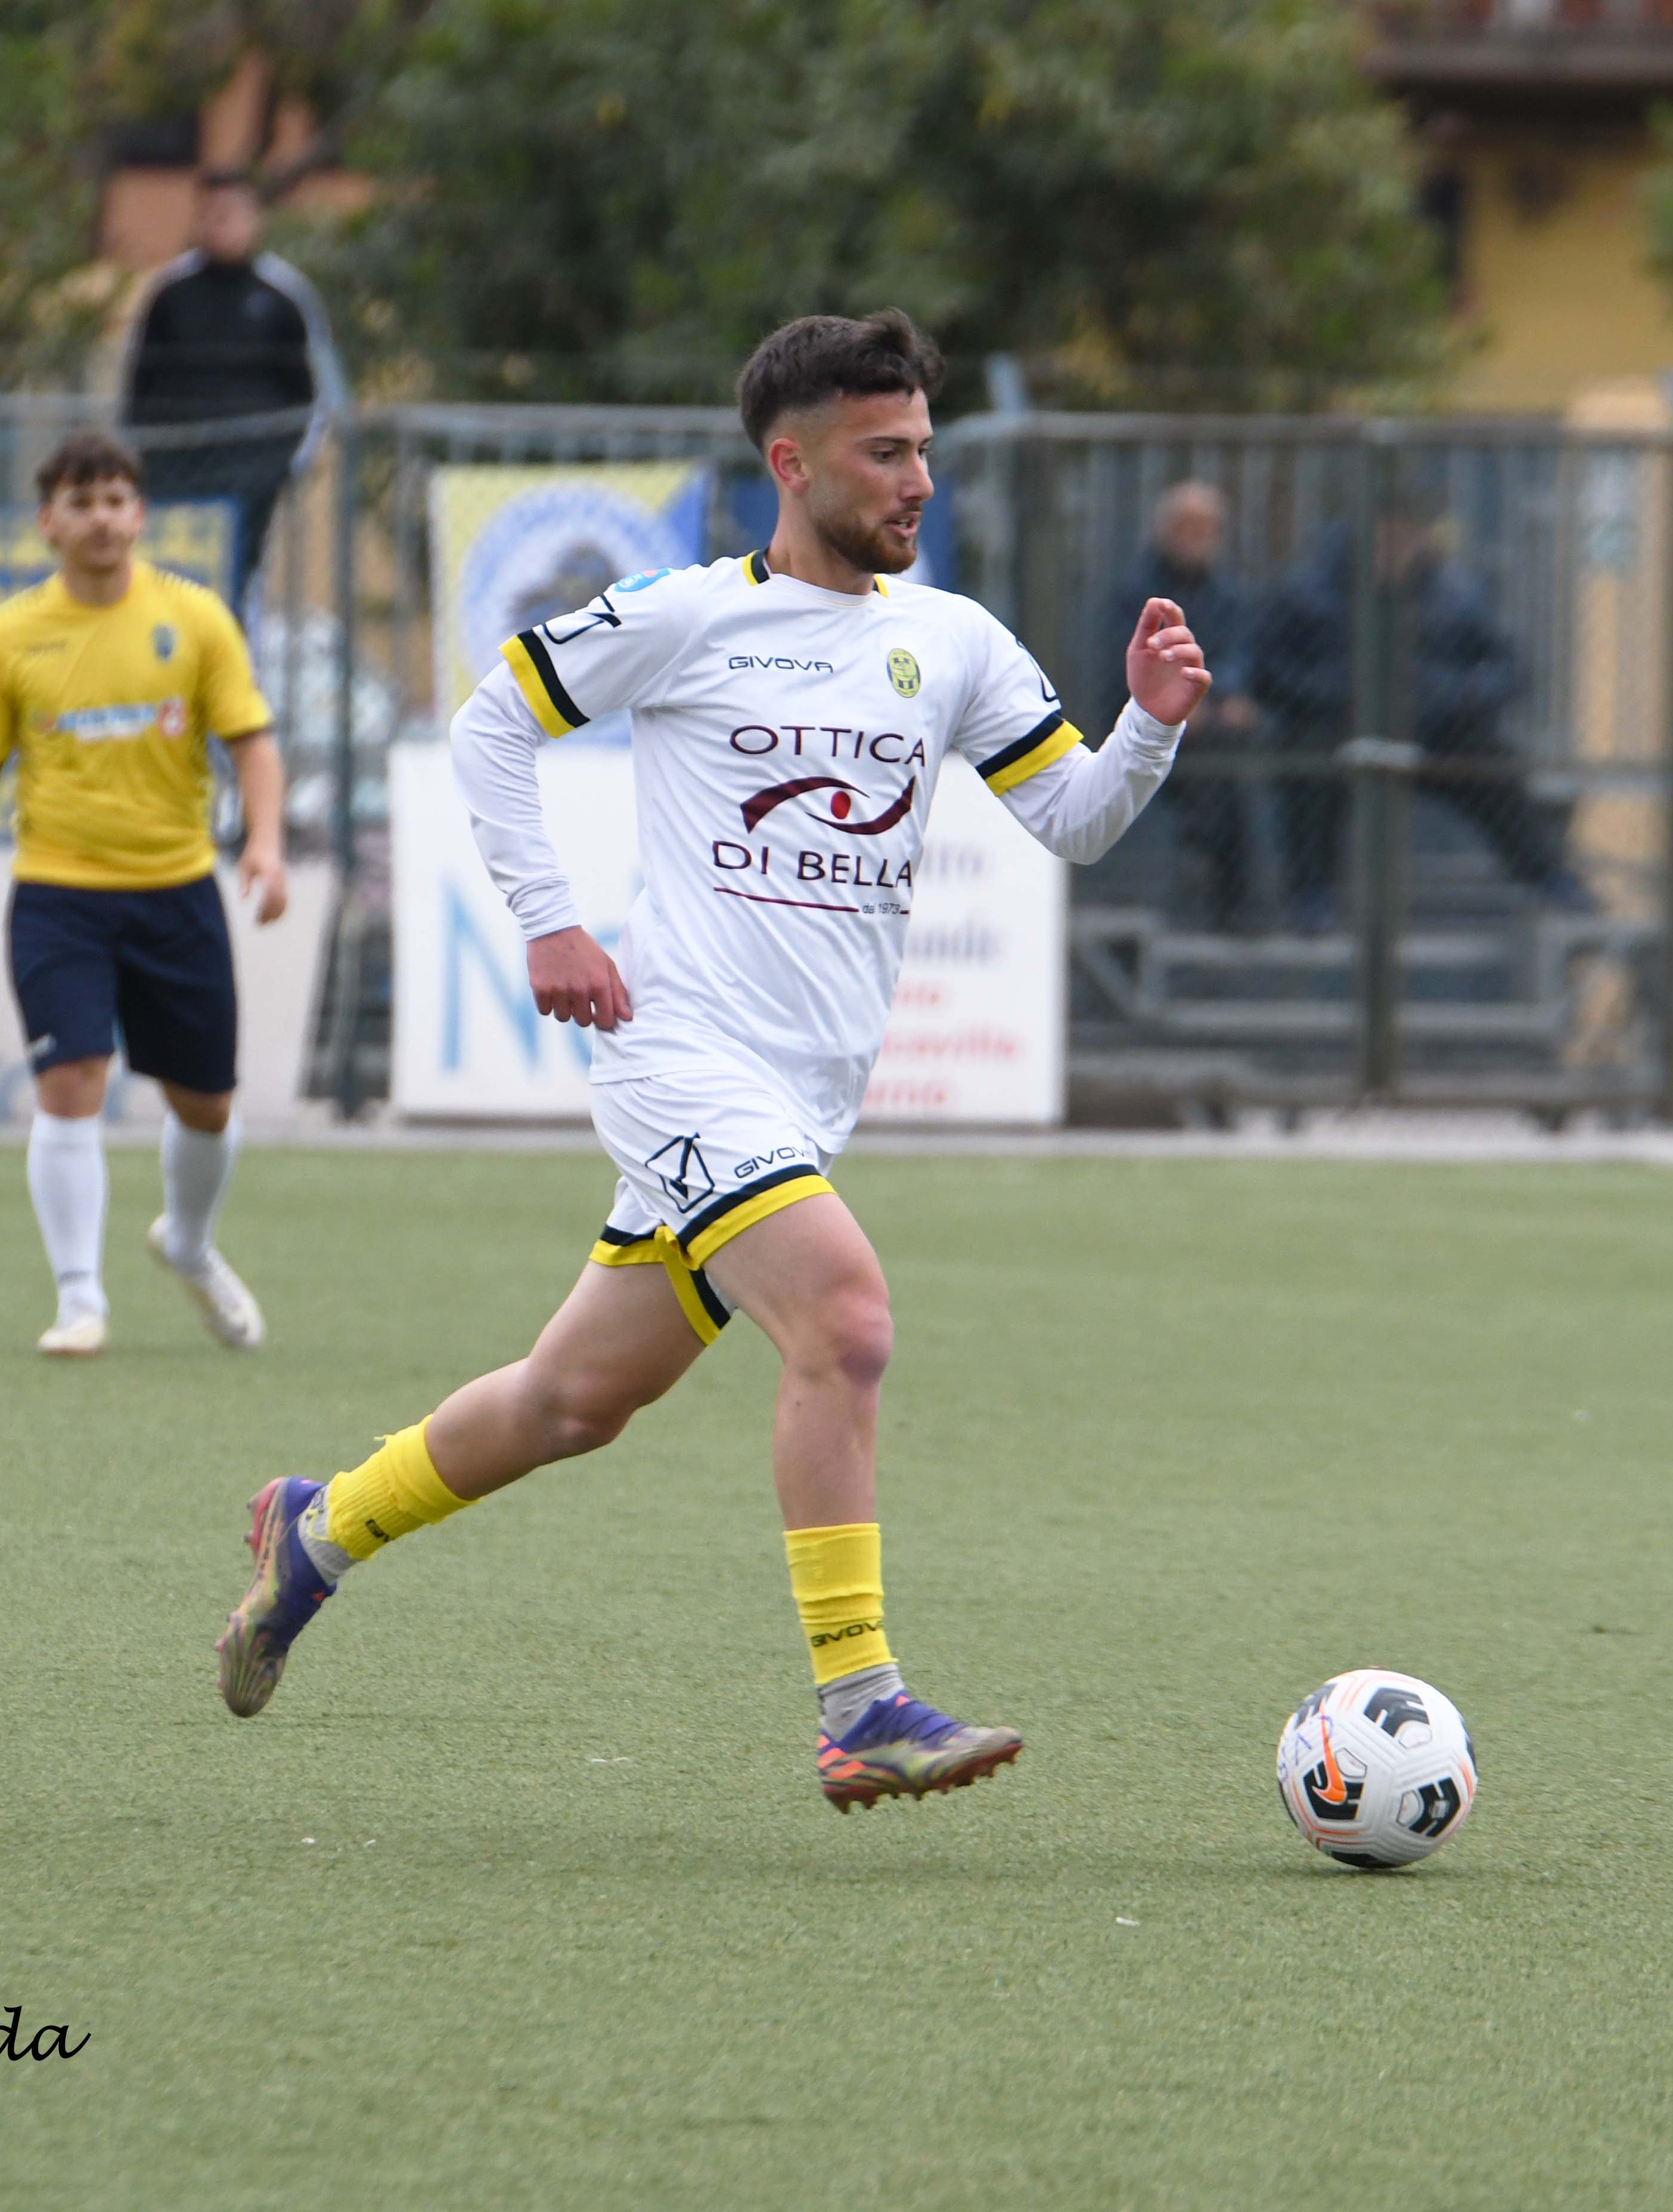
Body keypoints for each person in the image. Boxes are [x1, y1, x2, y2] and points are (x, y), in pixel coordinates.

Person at [208, 312, 1210, 1817]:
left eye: (924, 450)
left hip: (799, 1103)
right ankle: (861, 1705)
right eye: (884, 453)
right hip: (677, 1059)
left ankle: (318, 1529)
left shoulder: (952, 641)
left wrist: (1147, 727)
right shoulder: (684, 616)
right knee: (847, 1321)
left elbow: (1072, 819)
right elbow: (493, 721)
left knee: (570, 1402)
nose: (917, 481)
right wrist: (550, 920)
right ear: (790, 463)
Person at [0, 432, 290, 1359]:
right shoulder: (9, 637)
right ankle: (80, 1301)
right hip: (58, 896)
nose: (102, 519)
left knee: (206, 1105)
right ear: (48, 522)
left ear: (140, 514)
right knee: (70, 1080)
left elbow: (251, 744)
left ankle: (188, 1243)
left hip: (176, 893)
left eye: (117, 500)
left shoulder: (195, 619)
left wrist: (267, 845)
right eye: (81, 503)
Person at [1249, 502, 1578, 916]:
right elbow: (1265, 667)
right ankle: (1312, 895)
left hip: (1433, 726)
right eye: (1382, 538)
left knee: (1492, 762)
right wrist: (1324, 694)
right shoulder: (1307, 591)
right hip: (1337, 726)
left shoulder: (1457, 594)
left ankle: (1548, 877)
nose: (1394, 549)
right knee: (1307, 764)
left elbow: (1508, 666)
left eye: (1404, 538)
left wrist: (1462, 696)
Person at [123, 172, 325, 597]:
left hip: (253, 466)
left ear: (256, 219)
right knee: (170, 576)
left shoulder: (284, 294)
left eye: (232, 214)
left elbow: (313, 388)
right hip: (175, 466)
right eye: (213, 214)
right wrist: (145, 448)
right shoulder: (170, 292)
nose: (222, 225)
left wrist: (291, 461)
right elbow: (140, 377)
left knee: (239, 575)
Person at [1110, 481, 1268, 925]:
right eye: (1186, 527)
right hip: (1145, 722)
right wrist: (1172, 704)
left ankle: (1228, 895)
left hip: (1213, 725)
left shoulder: (1228, 593)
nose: (1196, 539)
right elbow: (1121, 665)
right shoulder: (1138, 592)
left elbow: (1240, 654)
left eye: (1206, 529)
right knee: (1210, 774)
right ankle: (1218, 892)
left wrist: (1227, 694)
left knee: (1229, 763)